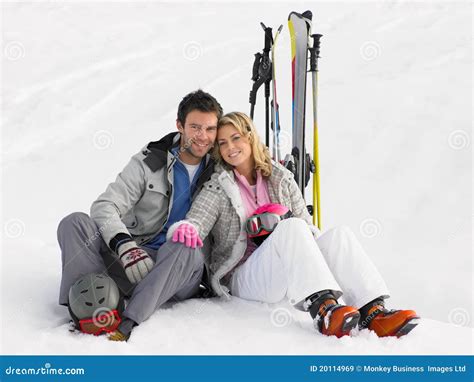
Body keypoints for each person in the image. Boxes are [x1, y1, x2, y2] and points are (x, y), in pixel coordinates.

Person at [168, 111, 419, 338]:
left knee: (337, 235)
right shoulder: (218, 186)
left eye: (235, 138)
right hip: (241, 277)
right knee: (291, 228)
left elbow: (306, 226)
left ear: (250, 137)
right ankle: (324, 310)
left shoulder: (280, 178)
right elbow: (198, 218)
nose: (230, 147)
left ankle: (374, 312)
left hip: (282, 270)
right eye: (222, 143)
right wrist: (189, 228)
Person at [57, 89, 222, 341]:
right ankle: (88, 307)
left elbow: (257, 170)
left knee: (185, 244)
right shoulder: (150, 161)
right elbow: (105, 205)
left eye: (210, 129)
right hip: (133, 260)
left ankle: (128, 318)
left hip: (178, 273)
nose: (203, 136)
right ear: (180, 126)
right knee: (75, 223)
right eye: (195, 127)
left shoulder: (221, 169)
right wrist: (125, 246)